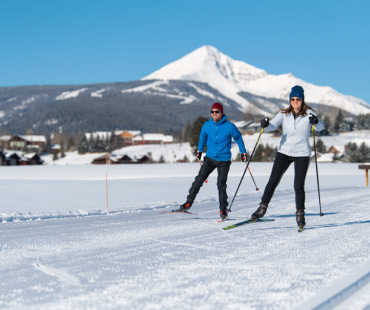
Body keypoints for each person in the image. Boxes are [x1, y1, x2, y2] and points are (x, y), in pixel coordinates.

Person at [251, 85, 324, 229]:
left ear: (302, 100)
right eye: (293, 99)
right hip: (284, 151)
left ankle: (300, 214)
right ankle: (262, 208)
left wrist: (316, 122)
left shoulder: (309, 114)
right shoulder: (284, 114)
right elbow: (272, 126)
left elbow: (321, 127)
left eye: (298, 99)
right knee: (273, 180)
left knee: (298, 185)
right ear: (290, 100)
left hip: (302, 153)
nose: (295, 102)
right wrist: (265, 125)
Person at [179, 102, 248, 220]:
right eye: (212, 112)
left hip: (224, 160)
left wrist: (243, 152)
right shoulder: (207, 125)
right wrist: (199, 150)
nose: (214, 114)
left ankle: (223, 210)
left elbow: (238, 138)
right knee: (198, 180)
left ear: (222, 113)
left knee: (221, 185)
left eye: (217, 112)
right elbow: (203, 138)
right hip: (210, 158)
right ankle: (188, 203)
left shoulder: (230, 126)